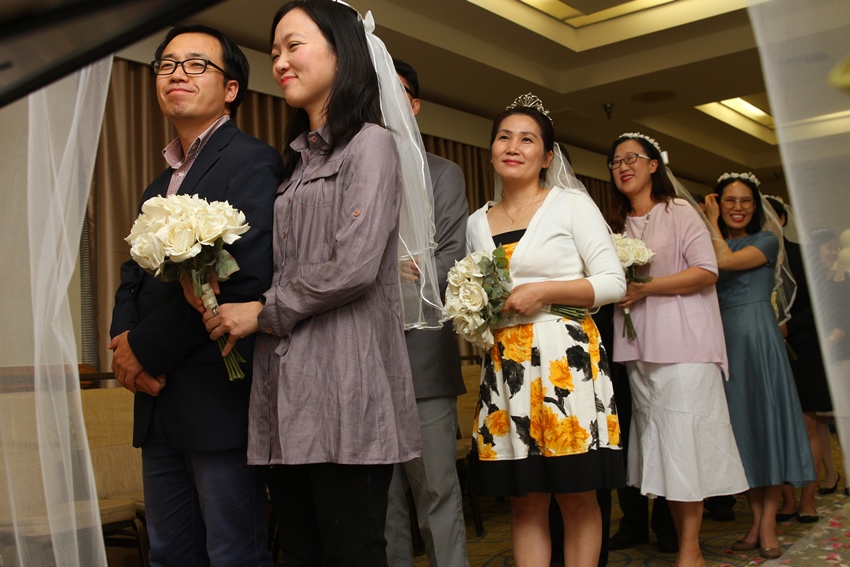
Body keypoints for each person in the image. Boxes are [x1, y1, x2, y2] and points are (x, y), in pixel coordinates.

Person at [195, 2, 435, 564]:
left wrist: (262, 310)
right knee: (301, 551)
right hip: (286, 387)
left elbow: (353, 266)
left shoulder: (371, 144)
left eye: (293, 46)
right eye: (274, 51)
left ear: (340, 52)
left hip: (346, 383)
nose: (279, 61)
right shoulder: (296, 161)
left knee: (352, 549)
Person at [109, 24, 280, 566]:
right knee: (168, 554)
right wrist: (121, 339)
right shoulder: (158, 184)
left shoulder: (252, 161)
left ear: (231, 89)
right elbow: (133, 272)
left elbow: (242, 278)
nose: (177, 73)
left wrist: (144, 349)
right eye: (167, 64)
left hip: (215, 396)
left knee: (233, 552)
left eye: (196, 64)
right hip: (158, 401)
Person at [466, 93, 626, 567]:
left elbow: (613, 282)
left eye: (527, 139)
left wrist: (543, 292)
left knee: (576, 497)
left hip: (565, 360)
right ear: (491, 151)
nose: (513, 147)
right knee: (525, 499)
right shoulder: (476, 223)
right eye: (504, 137)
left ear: (547, 157)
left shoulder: (571, 205)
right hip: (507, 367)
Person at [607, 133, 748, 567]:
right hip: (639, 350)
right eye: (616, 162)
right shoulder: (615, 225)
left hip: (685, 347)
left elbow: (707, 271)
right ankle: (680, 540)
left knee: (687, 445)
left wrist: (645, 287)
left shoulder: (679, 211)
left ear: (654, 165)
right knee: (664, 447)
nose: (623, 167)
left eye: (632, 158)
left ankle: (690, 549)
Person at [385, 59, 470, 567]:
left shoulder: (442, 173)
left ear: (414, 105)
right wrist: (389, 270)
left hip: (423, 356)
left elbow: (451, 259)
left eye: (395, 92)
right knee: (380, 504)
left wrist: (384, 275)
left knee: (435, 490)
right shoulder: (352, 172)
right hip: (363, 356)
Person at [705, 172, 816, 559]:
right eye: (729, 200)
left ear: (756, 206)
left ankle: (767, 524)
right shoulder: (709, 241)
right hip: (724, 339)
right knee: (743, 431)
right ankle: (756, 522)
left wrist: (711, 220)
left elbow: (725, 261)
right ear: (720, 201)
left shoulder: (767, 239)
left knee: (767, 427)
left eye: (745, 201)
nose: (737, 208)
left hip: (758, 338)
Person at [766, 197, 836, 523]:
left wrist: (787, 328)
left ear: (782, 219)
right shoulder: (752, 254)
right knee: (777, 428)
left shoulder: (803, 255)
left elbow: (821, 305)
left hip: (803, 349)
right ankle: (788, 500)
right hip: (769, 350)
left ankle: (808, 500)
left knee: (808, 426)